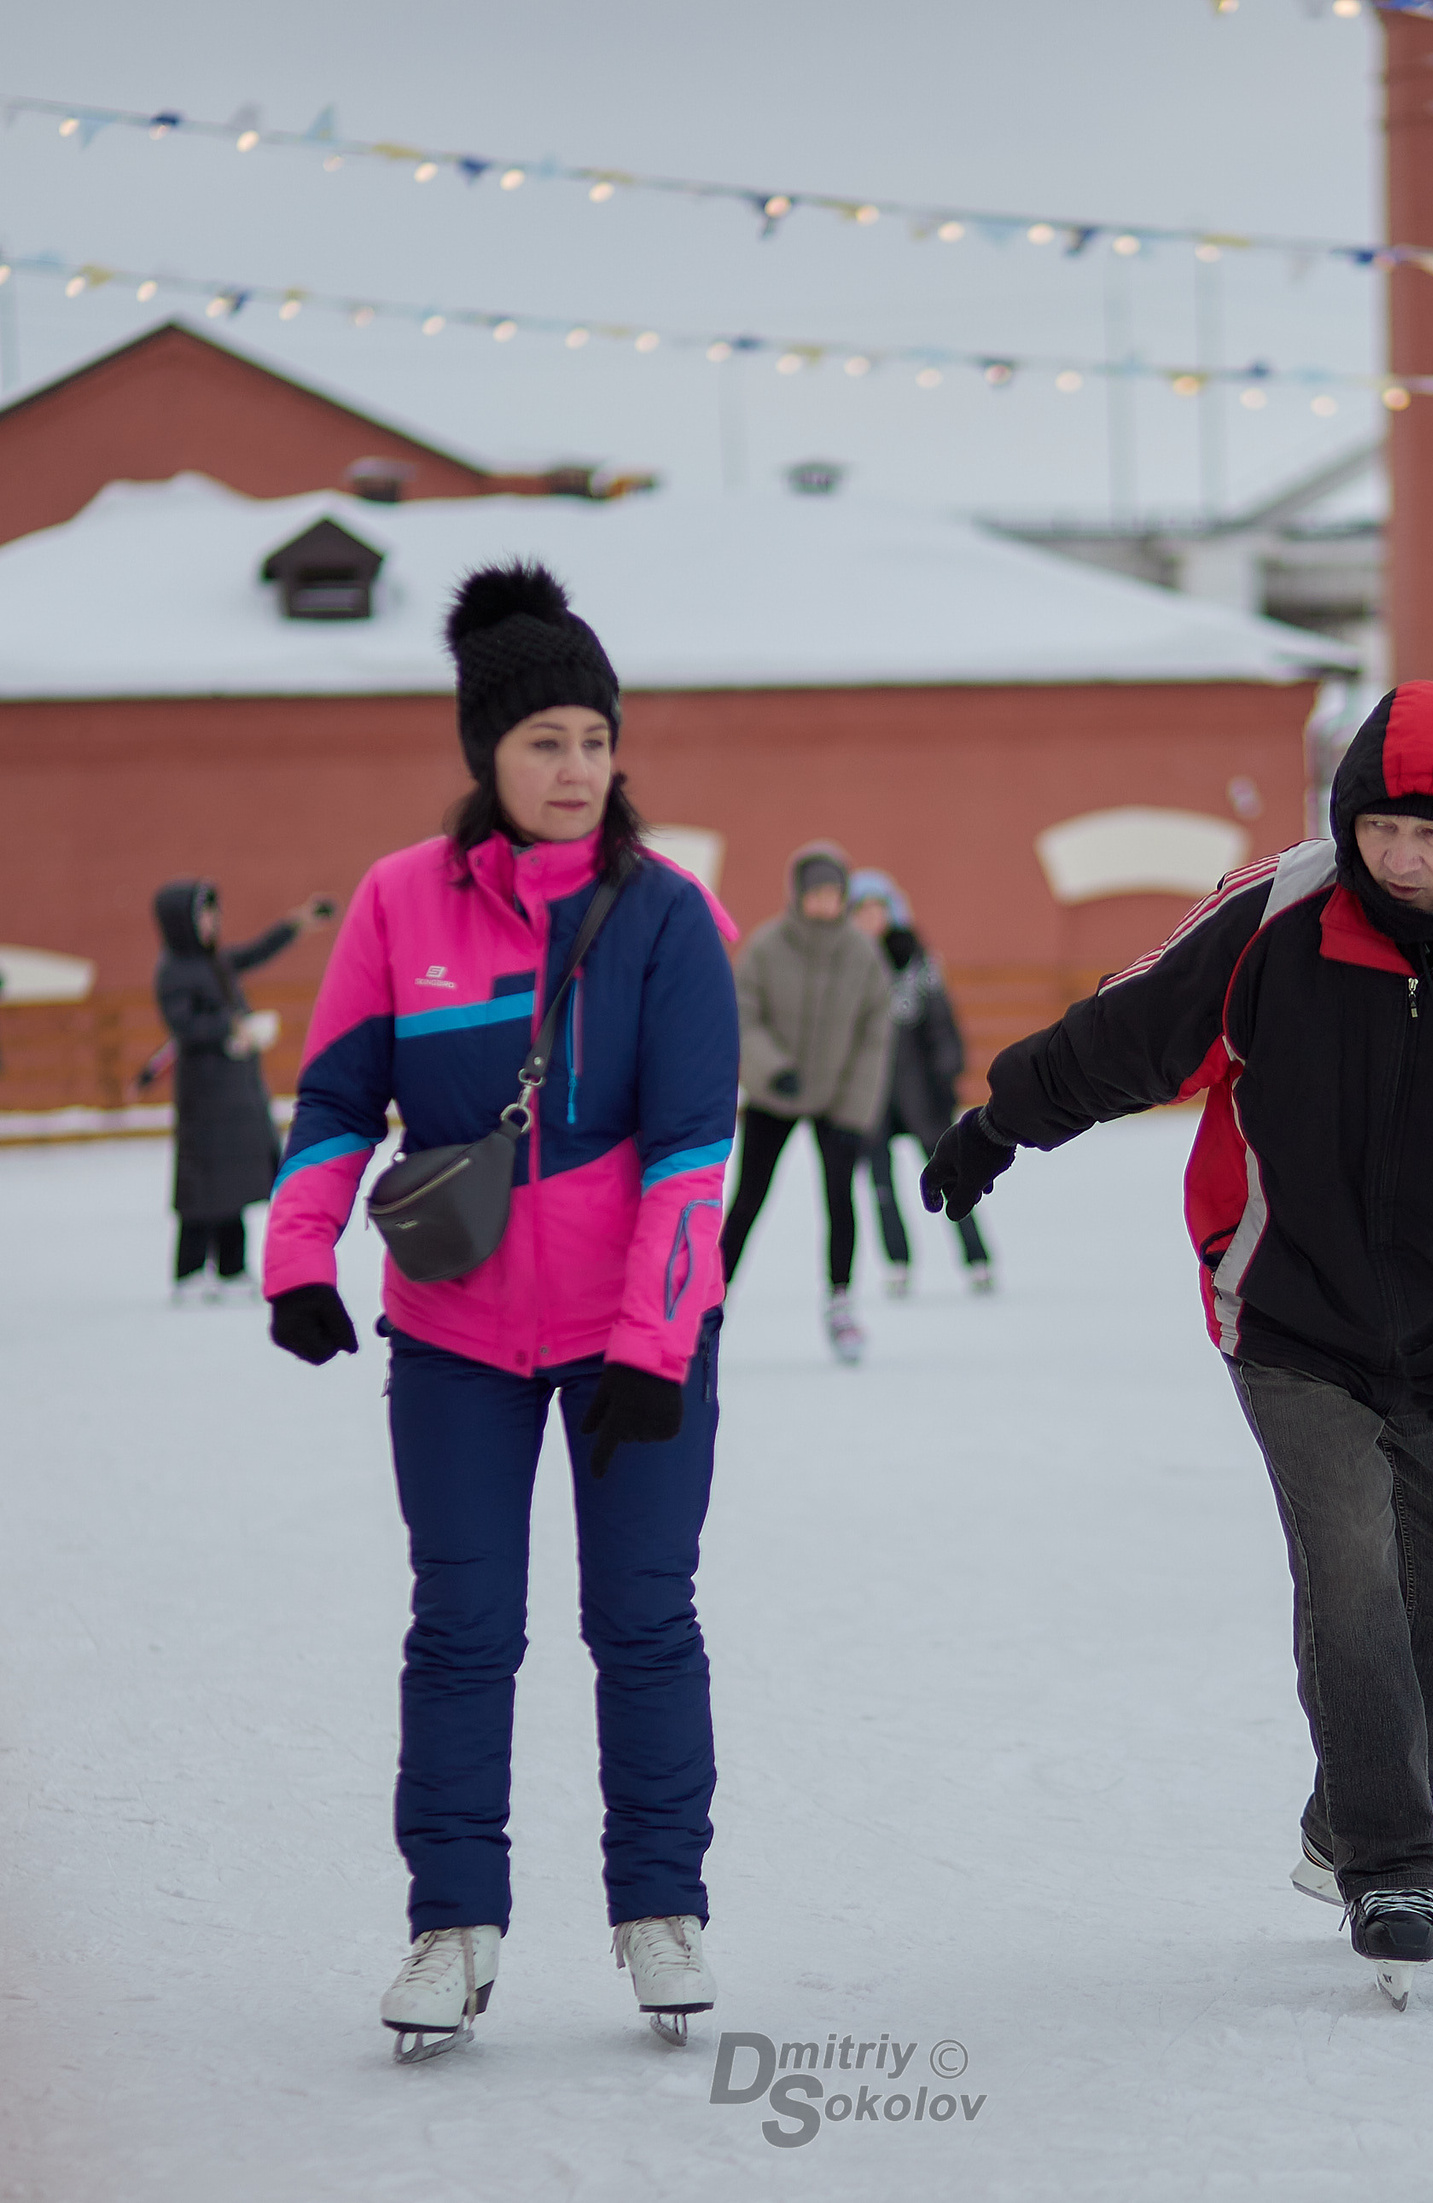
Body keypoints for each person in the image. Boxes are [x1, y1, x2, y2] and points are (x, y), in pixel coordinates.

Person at [919, 681, 1433, 2006]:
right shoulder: (1278, 911)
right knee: (1350, 1570)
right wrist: (1000, 1121)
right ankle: (1391, 1858)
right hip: (1284, 1307)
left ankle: (1353, 1812)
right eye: (1381, 827)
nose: (1402, 855)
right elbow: (1127, 1031)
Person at [260, 562, 740, 2057]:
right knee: (462, 1627)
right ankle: (452, 1923)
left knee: (643, 1620)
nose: (576, 769)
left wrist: (656, 1344)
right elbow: (340, 1091)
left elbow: (690, 1147)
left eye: (595, 740)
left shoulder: (670, 916)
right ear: (487, 752)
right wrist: (298, 1255)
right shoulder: (405, 900)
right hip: (455, 1332)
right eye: (545, 742)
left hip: (631, 1337)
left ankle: (662, 1906)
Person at [719, 842, 895, 1362]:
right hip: (778, 1092)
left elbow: (874, 1033)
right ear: (798, 896)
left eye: (833, 894)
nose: (825, 903)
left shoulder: (863, 955)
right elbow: (741, 1014)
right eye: (815, 894)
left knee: (841, 1200)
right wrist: (772, 1068)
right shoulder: (767, 947)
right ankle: (710, 1301)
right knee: (748, 1198)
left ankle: (840, 1305)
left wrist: (854, 1107)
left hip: (837, 1098)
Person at [149, 879, 334, 1299]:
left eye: (214, 913)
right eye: (202, 914)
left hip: (235, 1090)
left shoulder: (215, 962)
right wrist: (232, 1031)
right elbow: (184, 1025)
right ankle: (191, 1272)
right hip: (205, 1094)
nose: (212, 921)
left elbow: (255, 953)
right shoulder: (175, 970)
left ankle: (232, 1268)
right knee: (204, 1183)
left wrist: (296, 924)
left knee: (234, 1178)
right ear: (182, 923)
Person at [848, 868, 993, 1297]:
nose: (871, 919)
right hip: (870, 1096)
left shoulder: (916, 959)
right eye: (861, 911)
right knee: (880, 1184)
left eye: (877, 909)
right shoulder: (847, 965)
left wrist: (948, 1074)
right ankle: (897, 1262)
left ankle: (977, 1258)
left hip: (921, 1094)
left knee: (950, 1174)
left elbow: (941, 1024)